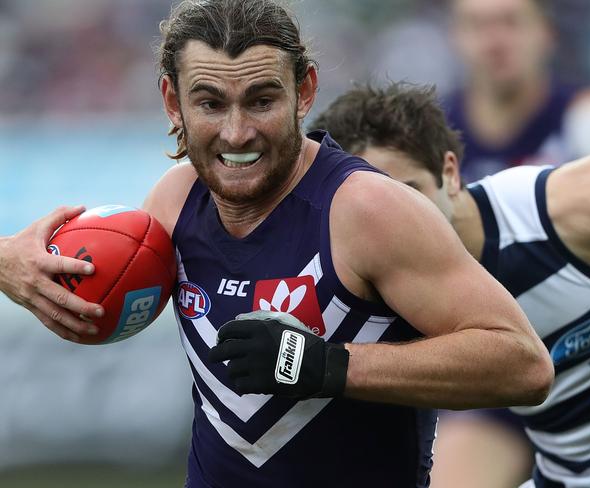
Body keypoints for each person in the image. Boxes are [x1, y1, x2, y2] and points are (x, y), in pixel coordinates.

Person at [0, 1, 554, 487]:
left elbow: (523, 364)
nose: (237, 133)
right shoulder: (172, 205)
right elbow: (94, 280)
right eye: (211, 103)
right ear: (173, 102)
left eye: (261, 100)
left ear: (305, 91)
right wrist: (12, 265)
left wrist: (326, 365)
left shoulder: (365, 211)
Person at [310, 81, 590, 487]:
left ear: (450, 174)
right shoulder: (360, 279)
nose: (395, 223)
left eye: (409, 194)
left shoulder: (566, 209)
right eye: (370, 212)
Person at [446, 0, 590, 182]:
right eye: (477, 25)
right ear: (454, 37)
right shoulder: (433, 132)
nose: (495, 42)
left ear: (547, 32)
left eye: (511, 22)